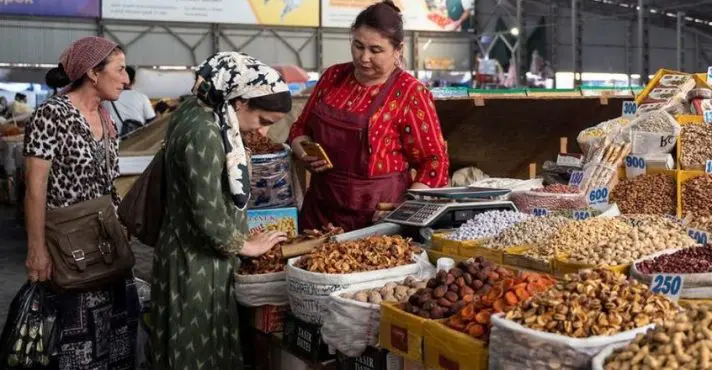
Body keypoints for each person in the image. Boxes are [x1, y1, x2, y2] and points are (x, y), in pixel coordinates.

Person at [151, 52, 291, 369]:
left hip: (195, 256)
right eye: (262, 121)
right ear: (240, 101)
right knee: (195, 353)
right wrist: (246, 245)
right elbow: (207, 212)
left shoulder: (203, 111)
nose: (263, 133)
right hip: (196, 265)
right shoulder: (204, 132)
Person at [23, 36, 139, 369]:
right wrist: (36, 250)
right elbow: (35, 188)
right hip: (70, 247)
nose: (126, 79)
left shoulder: (107, 118)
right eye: (119, 70)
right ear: (92, 72)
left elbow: (109, 182)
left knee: (118, 336)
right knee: (75, 338)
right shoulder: (51, 115)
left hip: (107, 243)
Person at [289, 0, 449, 232]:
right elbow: (300, 127)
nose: (364, 57)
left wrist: (406, 206)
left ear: (398, 50)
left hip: (378, 219)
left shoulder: (410, 93)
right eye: (358, 46)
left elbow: (435, 161)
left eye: (375, 50)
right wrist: (302, 149)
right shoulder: (333, 77)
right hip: (320, 212)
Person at [102, 66, 156, 137]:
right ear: (133, 81)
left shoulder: (107, 99)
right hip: (137, 141)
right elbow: (152, 121)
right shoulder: (142, 98)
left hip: (116, 142)